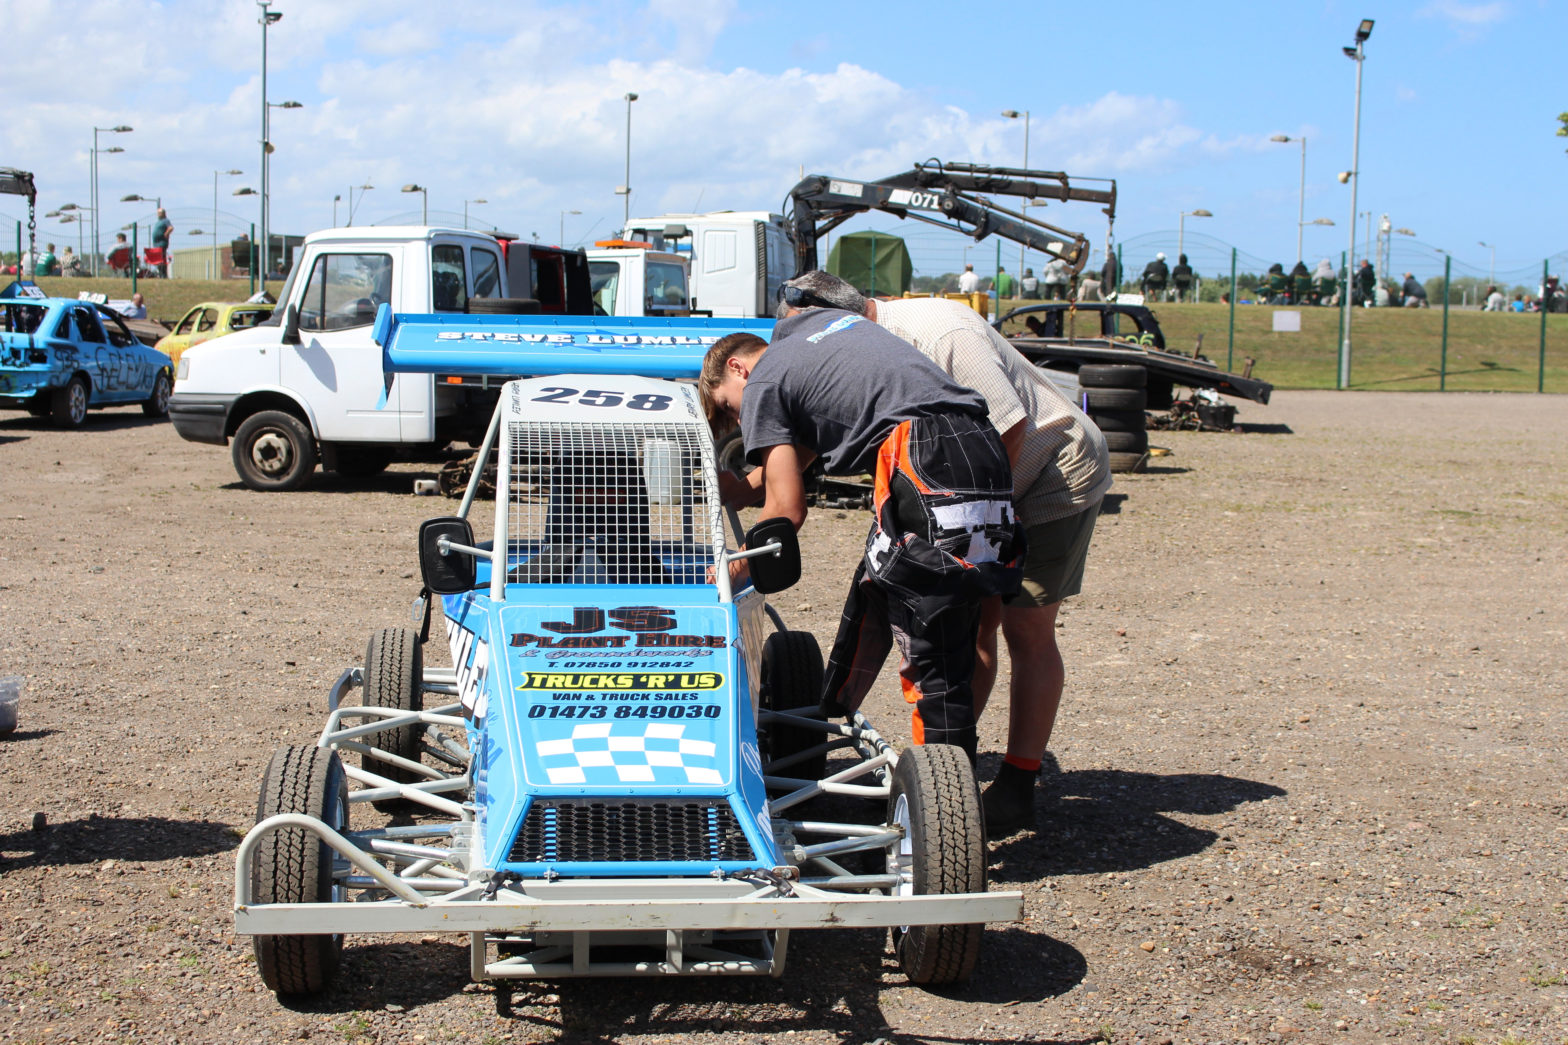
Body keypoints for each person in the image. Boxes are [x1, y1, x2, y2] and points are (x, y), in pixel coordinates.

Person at [773, 271, 1112, 833]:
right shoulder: (870, 344)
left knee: (1025, 631)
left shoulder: (941, 331)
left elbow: (1011, 425)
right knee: (967, 629)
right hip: (986, 487)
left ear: (827, 313)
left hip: (1051, 470)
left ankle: (1018, 783)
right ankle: (946, 771)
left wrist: (966, 521)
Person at [700, 290, 1022, 762]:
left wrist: (731, 572)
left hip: (924, 455)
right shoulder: (817, 338)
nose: (741, 418)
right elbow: (795, 454)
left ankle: (946, 795)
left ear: (736, 368)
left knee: (930, 634)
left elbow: (787, 512)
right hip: (979, 443)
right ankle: (827, 711)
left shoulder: (764, 381)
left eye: (730, 409)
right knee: (882, 583)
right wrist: (737, 487)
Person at [152, 208, 173, 277]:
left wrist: (166, 234)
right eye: (158, 213)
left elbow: (170, 228)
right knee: (158, 260)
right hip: (156, 244)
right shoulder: (158, 221)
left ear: (163, 213)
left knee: (162, 259)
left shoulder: (165, 220)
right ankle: (160, 274)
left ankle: (164, 275)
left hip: (162, 243)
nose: (158, 214)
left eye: (160, 213)